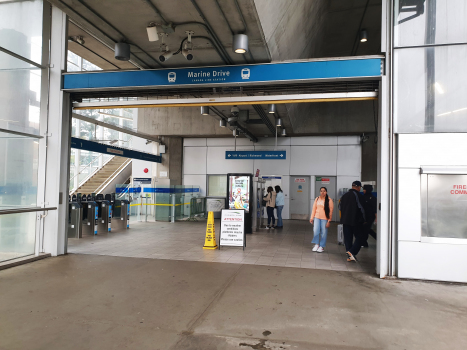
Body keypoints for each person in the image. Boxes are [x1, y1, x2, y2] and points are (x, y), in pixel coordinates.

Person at [339, 181, 366, 262]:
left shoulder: (344, 195)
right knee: (360, 237)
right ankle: (352, 252)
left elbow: (339, 207)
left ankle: (349, 256)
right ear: (358, 187)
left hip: (345, 220)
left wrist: (343, 217)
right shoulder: (358, 195)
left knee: (348, 238)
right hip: (355, 221)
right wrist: (364, 219)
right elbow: (362, 209)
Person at [309, 187, 334, 252]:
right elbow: (314, 209)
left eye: (324, 191)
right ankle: (316, 244)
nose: (322, 192)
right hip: (317, 217)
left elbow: (330, 211)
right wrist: (312, 218)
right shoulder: (317, 199)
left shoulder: (329, 200)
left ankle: (321, 246)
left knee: (323, 232)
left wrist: (329, 221)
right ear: (320, 192)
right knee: (315, 230)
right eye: (321, 191)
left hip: (325, 219)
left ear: (326, 192)